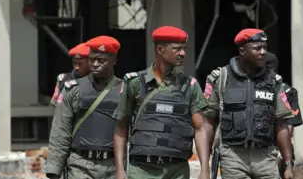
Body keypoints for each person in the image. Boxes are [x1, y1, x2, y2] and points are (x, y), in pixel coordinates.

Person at [113, 26, 212, 179]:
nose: (183, 53)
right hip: (142, 170)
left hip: (177, 171)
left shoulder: (189, 86)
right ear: (160, 49)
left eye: (184, 49)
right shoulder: (135, 83)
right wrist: (119, 170)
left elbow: (200, 128)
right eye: (177, 49)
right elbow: (121, 127)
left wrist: (205, 169)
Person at [204, 28, 295, 179]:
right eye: (257, 48)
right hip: (233, 157)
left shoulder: (273, 81)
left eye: (265, 48)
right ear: (242, 50)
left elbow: (282, 124)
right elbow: (208, 123)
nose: (263, 52)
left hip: (266, 157)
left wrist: (288, 164)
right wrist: (205, 167)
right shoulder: (220, 78)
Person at [46, 35, 123, 179]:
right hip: (80, 166)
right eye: (92, 59)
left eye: (101, 60)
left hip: (114, 166)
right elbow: (60, 132)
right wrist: (54, 171)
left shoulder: (125, 90)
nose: (95, 64)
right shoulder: (73, 89)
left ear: (114, 61)